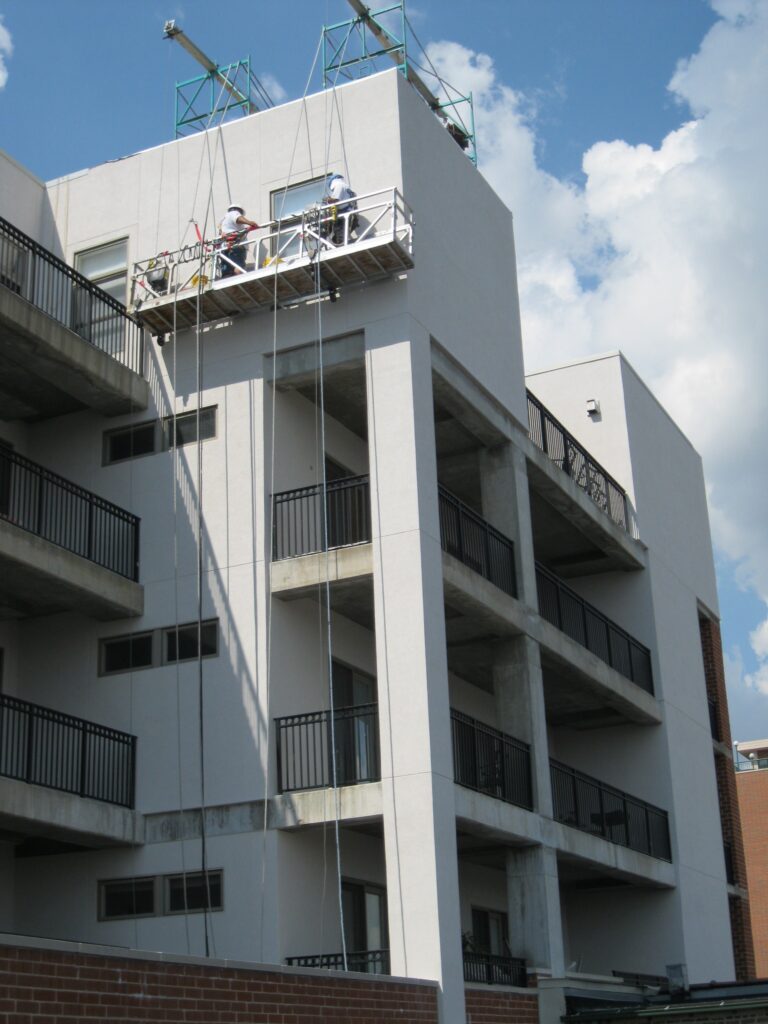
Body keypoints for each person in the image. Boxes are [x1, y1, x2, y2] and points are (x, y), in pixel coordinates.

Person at [218, 204, 259, 277]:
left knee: (227, 271)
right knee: (238, 266)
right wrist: (249, 222)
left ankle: (228, 279)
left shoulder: (222, 220)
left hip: (224, 248)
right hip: (235, 246)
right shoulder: (233, 213)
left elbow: (222, 234)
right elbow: (237, 218)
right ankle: (238, 277)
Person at [323, 173, 358, 245]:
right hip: (350, 213)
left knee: (339, 233)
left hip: (344, 214)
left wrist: (327, 200)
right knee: (342, 232)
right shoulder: (346, 187)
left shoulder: (339, 185)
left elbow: (335, 200)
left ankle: (341, 245)